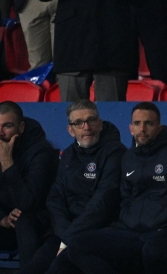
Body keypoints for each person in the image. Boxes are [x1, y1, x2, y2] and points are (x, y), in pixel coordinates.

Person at [66, 102, 167, 274]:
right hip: (133, 230)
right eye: (137, 123)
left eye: (148, 123)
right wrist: (129, 220)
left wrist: (163, 217)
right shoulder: (128, 157)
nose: (142, 129)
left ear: (159, 127)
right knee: (77, 245)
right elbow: (125, 197)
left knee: (153, 251)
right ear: (130, 128)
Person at [18, 100, 126, 274]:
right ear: (70, 130)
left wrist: (68, 239)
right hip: (66, 231)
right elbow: (55, 199)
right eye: (78, 123)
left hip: (98, 231)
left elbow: (103, 203)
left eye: (91, 120)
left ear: (100, 124)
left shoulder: (116, 152)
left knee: (57, 269)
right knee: (33, 268)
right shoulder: (68, 154)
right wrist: (64, 235)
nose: (86, 127)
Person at [0, 102, 58, 272]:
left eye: (7, 126)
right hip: (5, 223)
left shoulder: (41, 152)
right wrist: (0, 218)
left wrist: (7, 162)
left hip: (39, 227)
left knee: (23, 218)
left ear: (21, 127)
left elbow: (28, 202)